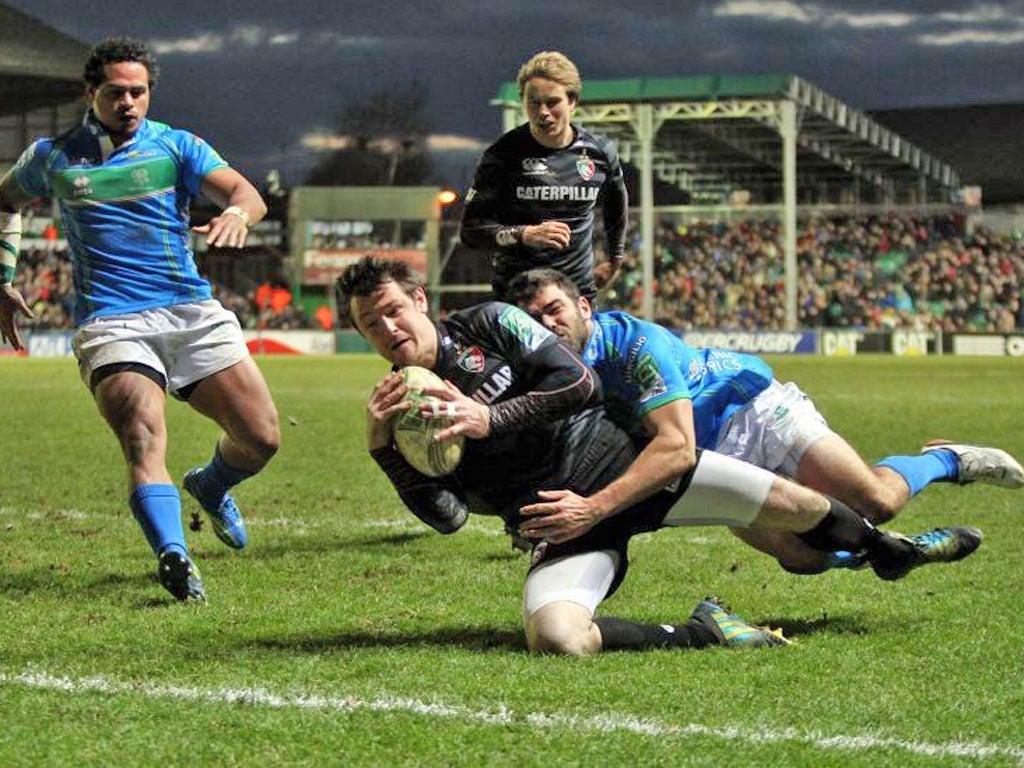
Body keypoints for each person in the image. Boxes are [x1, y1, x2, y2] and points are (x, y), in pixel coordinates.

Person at [336, 256, 973, 656]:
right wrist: (381, 453)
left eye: (394, 310)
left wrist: (487, 416)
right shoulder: (395, 412)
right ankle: (706, 630)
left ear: (419, 301)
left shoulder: (490, 323)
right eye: (372, 324)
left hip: (624, 471)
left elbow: (577, 383)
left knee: (805, 509)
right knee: (557, 638)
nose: (389, 330)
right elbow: (447, 518)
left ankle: (890, 550)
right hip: (559, 518)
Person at [0, 37, 280, 602]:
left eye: (139, 92)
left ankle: (211, 482)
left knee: (261, 438)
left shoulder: (177, 147)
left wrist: (236, 214)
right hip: (112, 321)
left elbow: (247, 193)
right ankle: (174, 556)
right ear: (90, 93)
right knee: (142, 436)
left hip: (189, 310)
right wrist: (3, 276)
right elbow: (4, 202)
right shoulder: (51, 156)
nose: (128, 102)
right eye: (115, 93)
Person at [507, 267, 1022, 572]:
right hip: (709, 458)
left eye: (555, 309)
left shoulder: (636, 345)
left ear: (583, 305)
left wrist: (594, 509)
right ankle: (892, 553)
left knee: (877, 500)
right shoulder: (549, 372)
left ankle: (943, 460)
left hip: (751, 410)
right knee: (799, 558)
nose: (548, 324)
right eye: (534, 320)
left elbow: (675, 449)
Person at [460, 50, 627, 304]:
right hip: (518, 297)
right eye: (534, 102)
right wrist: (524, 234)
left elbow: (617, 202)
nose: (543, 112)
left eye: (552, 102)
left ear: (572, 101)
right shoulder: (501, 156)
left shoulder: (600, 152)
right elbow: (471, 231)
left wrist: (615, 257)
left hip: (576, 296)